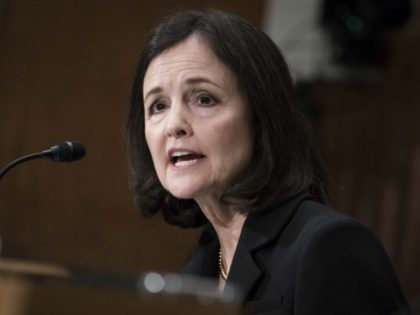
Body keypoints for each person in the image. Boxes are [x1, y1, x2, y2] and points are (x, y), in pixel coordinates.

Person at [126, 9, 409, 314]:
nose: (174, 124)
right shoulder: (201, 265)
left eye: (204, 98)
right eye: (157, 106)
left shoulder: (329, 246)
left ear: (261, 115)